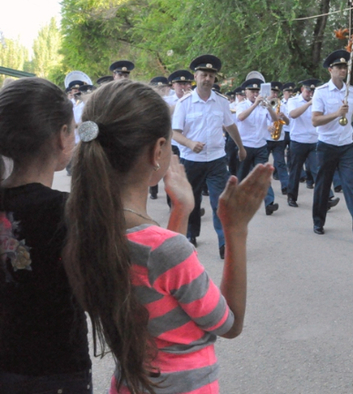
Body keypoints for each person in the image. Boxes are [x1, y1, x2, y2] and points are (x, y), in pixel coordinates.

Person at [62, 79, 272, 394]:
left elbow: (157, 287)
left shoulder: (86, 224)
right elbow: (229, 323)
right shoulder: (165, 249)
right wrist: (235, 229)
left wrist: (180, 213)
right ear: (158, 150)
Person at [0, 78, 91, 393]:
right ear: (62, 137)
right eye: (73, 129)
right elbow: (92, 295)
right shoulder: (66, 211)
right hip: (55, 372)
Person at [172, 55, 248, 257]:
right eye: (203, 75)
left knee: (220, 202)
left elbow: (230, 125)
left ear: (215, 79)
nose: (207, 79)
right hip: (191, 160)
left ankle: (224, 243)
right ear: (195, 77)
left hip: (216, 159)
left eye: (211, 76)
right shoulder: (185, 103)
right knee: (191, 201)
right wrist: (189, 143)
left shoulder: (221, 102)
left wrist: (240, 147)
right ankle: (190, 234)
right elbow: (174, 132)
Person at [311, 50, 353, 243]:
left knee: (351, 186)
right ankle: (318, 221)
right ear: (330, 70)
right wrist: (336, 113)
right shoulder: (321, 92)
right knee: (323, 187)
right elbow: (315, 120)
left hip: (347, 145)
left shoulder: (351, 91)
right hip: (326, 145)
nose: (343, 70)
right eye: (339, 67)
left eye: (345, 67)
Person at [285, 79, 340, 209]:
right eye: (308, 91)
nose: (310, 93)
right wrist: (309, 103)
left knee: (318, 170)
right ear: (302, 90)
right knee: (296, 171)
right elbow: (293, 114)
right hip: (298, 141)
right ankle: (292, 197)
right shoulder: (293, 101)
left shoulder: (319, 102)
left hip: (314, 141)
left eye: (312, 91)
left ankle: (326, 198)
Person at [234, 78, 281, 216]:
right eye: (252, 91)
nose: (255, 93)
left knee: (263, 176)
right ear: (246, 92)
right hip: (245, 145)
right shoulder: (242, 105)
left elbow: (275, 119)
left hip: (260, 145)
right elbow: (241, 117)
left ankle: (269, 203)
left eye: (256, 91)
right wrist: (255, 104)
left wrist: (268, 107)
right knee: (242, 176)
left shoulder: (263, 105)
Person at [265, 81, 290, 194]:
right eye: (273, 92)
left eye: (276, 93)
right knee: (263, 165)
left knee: (280, 163)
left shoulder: (282, 106)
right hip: (265, 139)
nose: (275, 95)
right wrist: (267, 127)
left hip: (279, 139)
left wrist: (284, 117)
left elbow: (288, 122)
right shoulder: (262, 105)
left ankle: (286, 186)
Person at [149, 76, 171, 200]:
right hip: (155, 137)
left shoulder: (172, 99)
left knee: (167, 170)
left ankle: (171, 199)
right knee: (153, 166)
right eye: (159, 87)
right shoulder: (149, 102)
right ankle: (153, 190)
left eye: (163, 87)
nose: (161, 89)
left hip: (169, 138)